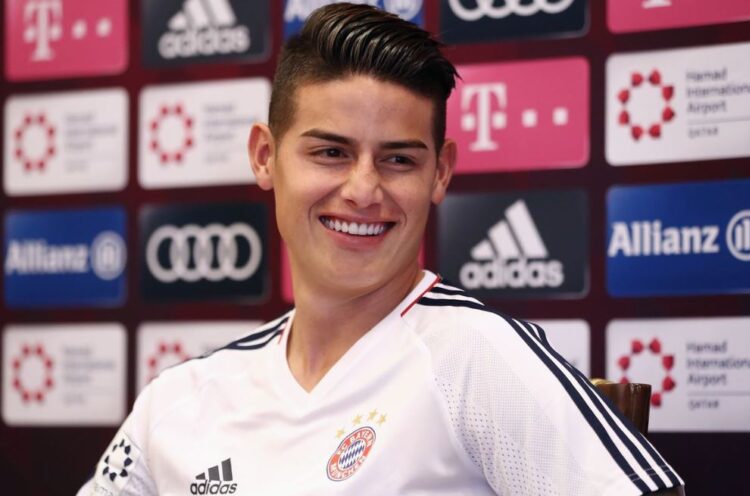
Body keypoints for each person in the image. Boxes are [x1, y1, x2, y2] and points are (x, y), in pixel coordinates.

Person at [78, 4, 684, 495]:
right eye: (331, 153)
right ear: (265, 156)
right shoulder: (181, 399)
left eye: (398, 160)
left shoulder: (476, 357)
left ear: (440, 173)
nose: (364, 190)